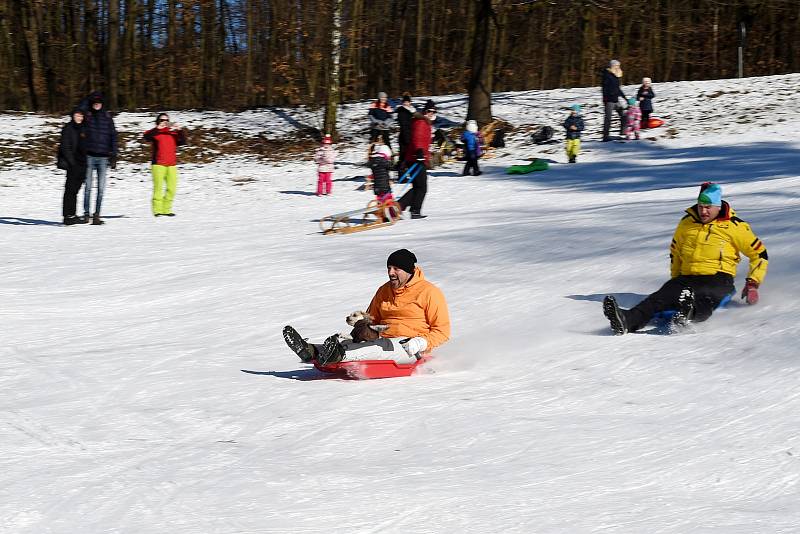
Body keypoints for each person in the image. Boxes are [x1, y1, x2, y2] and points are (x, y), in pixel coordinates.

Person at [603, 183, 768, 335]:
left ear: (718, 207)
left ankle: (688, 313)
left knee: (706, 297)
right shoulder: (687, 223)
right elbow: (675, 252)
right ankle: (626, 320)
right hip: (687, 277)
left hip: (719, 277)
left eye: (708, 207)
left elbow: (759, 254)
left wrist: (752, 283)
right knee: (658, 298)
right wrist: (674, 282)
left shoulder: (735, 226)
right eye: (701, 206)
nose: (703, 211)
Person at [283, 249, 450, 365]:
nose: (391, 272)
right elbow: (372, 319)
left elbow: (442, 332)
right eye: (389, 268)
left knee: (377, 348)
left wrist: (421, 343)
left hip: (410, 347)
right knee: (359, 342)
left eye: (396, 269)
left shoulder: (430, 292)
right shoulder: (384, 290)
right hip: (382, 339)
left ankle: (338, 355)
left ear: (408, 271)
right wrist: (362, 325)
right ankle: (312, 351)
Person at [82, 92, 118, 225]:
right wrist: (89, 97)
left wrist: (114, 154)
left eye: (99, 101)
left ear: (102, 103)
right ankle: (86, 214)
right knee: (88, 187)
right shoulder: (88, 116)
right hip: (89, 157)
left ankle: (96, 214)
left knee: (101, 189)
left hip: (103, 158)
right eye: (94, 102)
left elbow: (114, 136)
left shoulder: (108, 117)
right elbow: (80, 108)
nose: (97, 104)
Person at [143, 113, 187, 216]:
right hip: (158, 164)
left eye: (166, 120)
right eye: (162, 120)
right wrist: (157, 128)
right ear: (158, 122)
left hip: (172, 164)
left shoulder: (172, 133)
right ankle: (157, 210)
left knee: (172, 188)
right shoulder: (155, 133)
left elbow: (183, 142)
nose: (164, 122)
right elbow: (146, 137)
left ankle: (166, 210)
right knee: (158, 188)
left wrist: (179, 130)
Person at [57, 109, 88, 225]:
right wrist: (72, 162)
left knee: (75, 190)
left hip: (83, 163)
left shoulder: (84, 128)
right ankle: (67, 216)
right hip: (73, 164)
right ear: (73, 116)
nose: (79, 117)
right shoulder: (68, 128)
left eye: (81, 115)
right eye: (77, 115)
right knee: (69, 190)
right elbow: (65, 147)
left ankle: (72, 214)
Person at [405, 99, 436, 168]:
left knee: (421, 178)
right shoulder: (421, 122)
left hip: (421, 157)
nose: (431, 113)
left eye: (433, 112)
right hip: (416, 157)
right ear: (425, 111)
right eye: (429, 111)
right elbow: (417, 138)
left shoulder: (427, 123)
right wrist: (419, 151)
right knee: (420, 178)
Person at [601, 59, 627, 141]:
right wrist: (606, 98)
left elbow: (618, 89)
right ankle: (605, 136)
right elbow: (604, 88)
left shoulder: (616, 76)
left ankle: (623, 133)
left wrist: (625, 98)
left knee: (623, 115)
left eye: (619, 66)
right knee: (608, 118)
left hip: (616, 100)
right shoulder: (607, 75)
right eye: (617, 66)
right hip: (609, 100)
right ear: (612, 66)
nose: (618, 67)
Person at [398, 149, 428, 219]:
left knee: (417, 188)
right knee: (421, 188)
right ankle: (414, 210)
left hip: (414, 159)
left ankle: (401, 205)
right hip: (417, 159)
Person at [395, 94, 416, 165]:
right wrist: (407, 138)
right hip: (404, 136)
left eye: (408, 102)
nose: (406, 103)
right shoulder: (402, 112)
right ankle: (401, 168)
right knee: (404, 154)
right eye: (405, 102)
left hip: (409, 135)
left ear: (410, 102)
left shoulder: (411, 111)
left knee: (408, 154)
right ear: (403, 102)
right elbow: (404, 126)